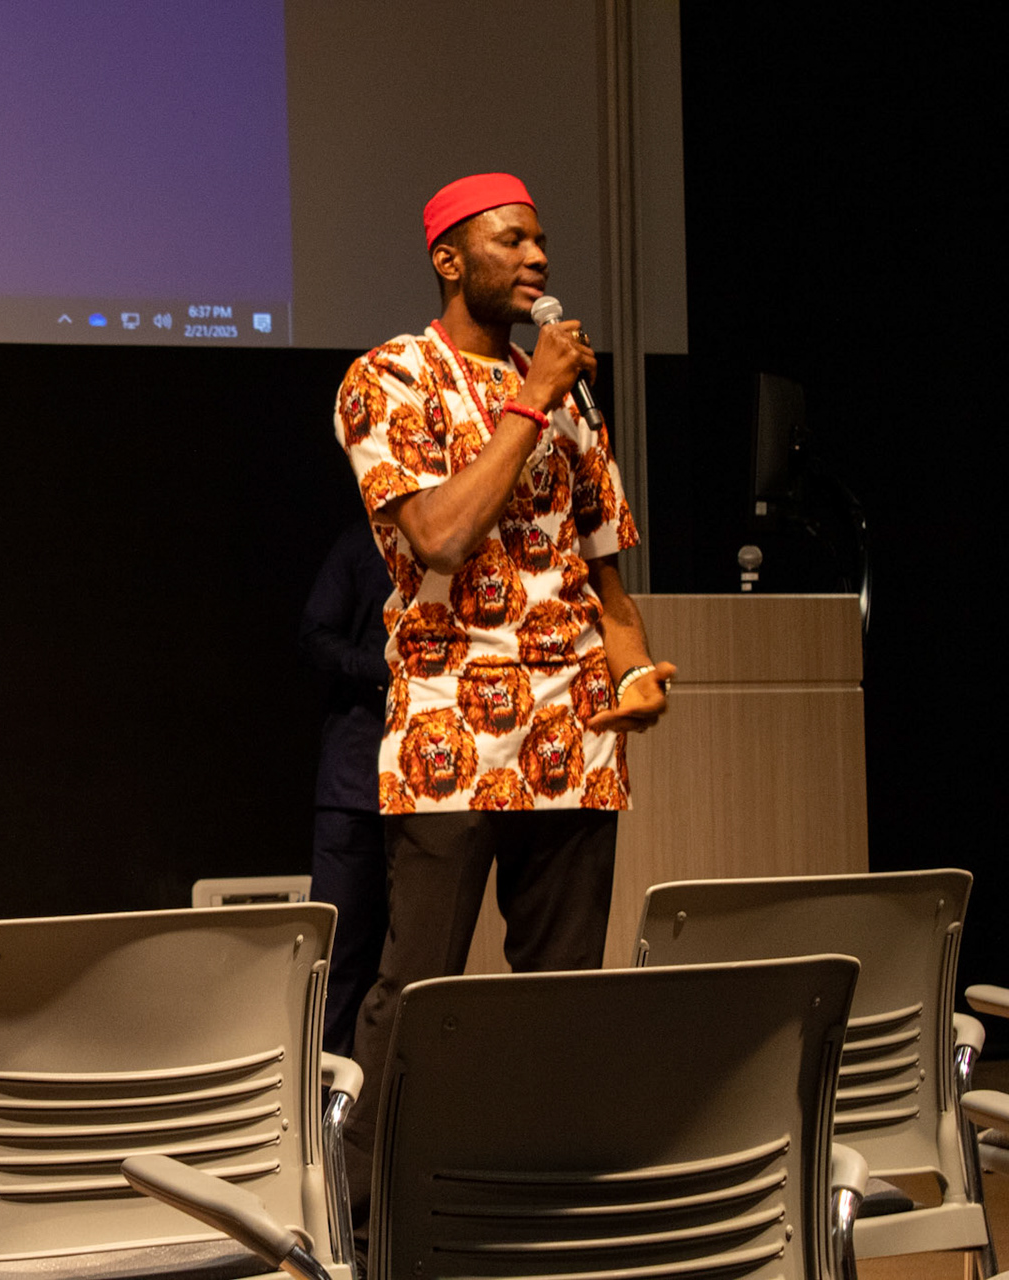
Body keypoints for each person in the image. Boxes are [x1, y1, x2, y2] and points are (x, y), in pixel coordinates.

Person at [330, 174, 674, 1225]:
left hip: (572, 733)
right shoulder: (388, 376)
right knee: (420, 986)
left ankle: (534, 1200)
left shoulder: (569, 395)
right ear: (449, 257)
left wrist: (636, 670)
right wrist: (531, 403)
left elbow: (606, 572)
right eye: (510, 240)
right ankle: (370, 1210)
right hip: (449, 719)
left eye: (541, 242)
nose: (536, 258)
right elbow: (436, 533)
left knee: (557, 991)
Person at [297, 522, 393, 1056]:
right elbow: (314, 634)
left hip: (428, 797)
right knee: (338, 961)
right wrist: (380, 668)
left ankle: (384, 1118)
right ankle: (320, 1117)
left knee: (404, 965)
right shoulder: (363, 544)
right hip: (355, 782)